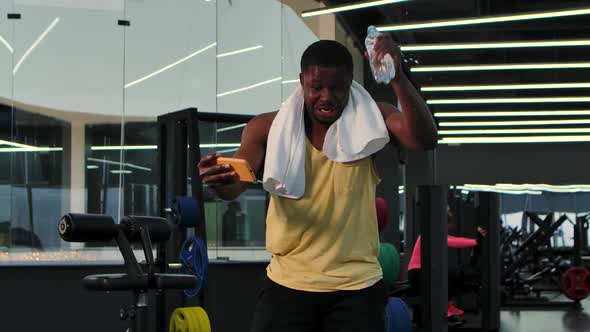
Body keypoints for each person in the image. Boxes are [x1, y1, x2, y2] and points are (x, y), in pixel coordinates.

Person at [199, 35, 437, 332]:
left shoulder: (372, 120)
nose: (326, 96)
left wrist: (397, 76)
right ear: (302, 81)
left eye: (337, 88)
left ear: (351, 83)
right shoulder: (266, 128)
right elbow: (237, 183)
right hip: (288, 284)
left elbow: (424, 139)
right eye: (316, 87)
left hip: (357, 288)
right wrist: (221, 182)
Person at [407, 206, 487, 318]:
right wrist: (476, 241)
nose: (447, 230)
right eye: (446, 227)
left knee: (452, 274)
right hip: (417, 274)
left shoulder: (435, 232)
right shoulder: (431, 233)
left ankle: (448, 305)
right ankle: (446, 306)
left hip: (423, 272)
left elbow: (455, 239)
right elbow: (452, 242)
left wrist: (476, 241)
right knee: (452, 274)